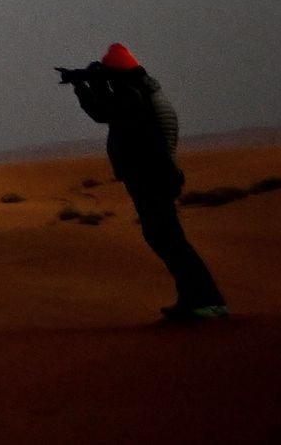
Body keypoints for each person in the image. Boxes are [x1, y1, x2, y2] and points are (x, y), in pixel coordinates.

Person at [60, 43, 226, 324]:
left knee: (168, 239)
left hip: (151, 176)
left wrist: (83, 86)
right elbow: (114, 114)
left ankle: (206, 301)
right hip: (155, 175)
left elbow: (103, 113)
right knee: (166, 238)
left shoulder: (132, 94)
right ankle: (194, 299)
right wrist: (96, 83)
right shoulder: (142, 90)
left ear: (116, 72)